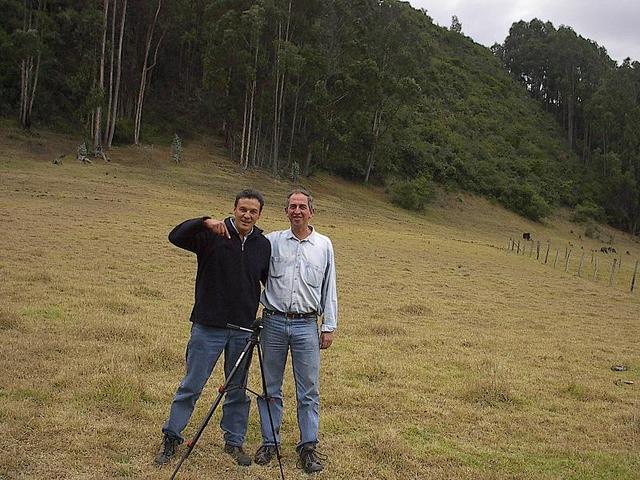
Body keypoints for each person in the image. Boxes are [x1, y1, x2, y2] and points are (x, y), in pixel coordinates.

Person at [154, 189, 271, 467]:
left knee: (236, 389)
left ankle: (233, 441)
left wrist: (263, 316)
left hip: (243, 331)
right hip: (208, 327)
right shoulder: (212, 235)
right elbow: (176, 236)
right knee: (192, 385)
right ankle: (171, 437)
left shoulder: (262, 244)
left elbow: (267, 281)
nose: (247, 215)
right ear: (234, 208)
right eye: (243, 209)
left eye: (253, 211)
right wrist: (204, 221)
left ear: (259, 215)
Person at [255, 189, 338, 474]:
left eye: (302, 206)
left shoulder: (324, 245)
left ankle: (308, 446)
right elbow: (254, 271)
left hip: (306, 326)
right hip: (274, 323)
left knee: (308, 391)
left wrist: (328, 326)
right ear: (286, 211)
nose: (297, 211)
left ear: (311, 212)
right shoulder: (271, 241)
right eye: (292, 206)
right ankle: (270, 443)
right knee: (270, 387)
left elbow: (330, 287)